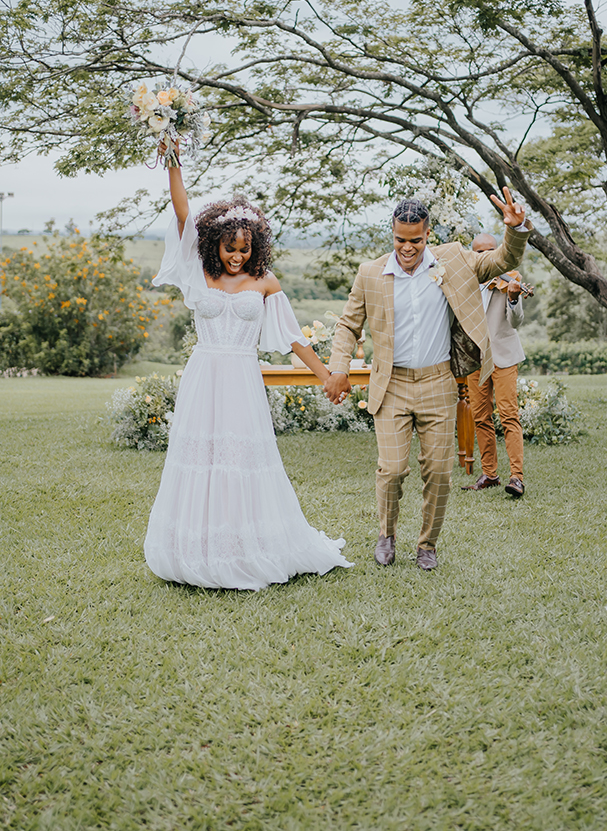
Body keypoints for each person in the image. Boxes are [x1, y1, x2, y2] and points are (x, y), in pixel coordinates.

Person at [144, 166, 353, 589]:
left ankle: (243, 548)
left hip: (241, 378)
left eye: (244, 248)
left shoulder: (264, 281)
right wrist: (173, 160)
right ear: (213, 244)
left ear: (255, 246)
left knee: (239, 461)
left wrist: (327, 375)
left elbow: (294, 338)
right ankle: (198, 549)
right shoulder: (198, 272)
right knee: (201, 460)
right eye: (229, 248)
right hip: (204, 377)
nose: (236, 256)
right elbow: (182, 213)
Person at [324, 188, 532, 570]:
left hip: (438, 382)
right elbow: (348, 325)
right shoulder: (371, 273)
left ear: (428, 233)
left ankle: (427, 544)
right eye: (400, 240)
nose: (407, 248)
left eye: (415, 240)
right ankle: (386, 534)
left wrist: (515, 230)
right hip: (391, 385)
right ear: (392, 234)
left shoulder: (453, 260)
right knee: (392, 469)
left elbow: (503, 260)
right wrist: (339, 367)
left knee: (438, 471)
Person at [462, 233, 526, 497]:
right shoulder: (465, 283)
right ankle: (490, 474)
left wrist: (513, 298)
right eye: (479, 252)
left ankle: (517, 477)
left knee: (509, 415)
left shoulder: (509, 279)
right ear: (472, 255)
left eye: (490, 251)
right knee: (480, 417)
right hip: (475, 358)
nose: (485, 256)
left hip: (503, 356)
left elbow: (517, 321)